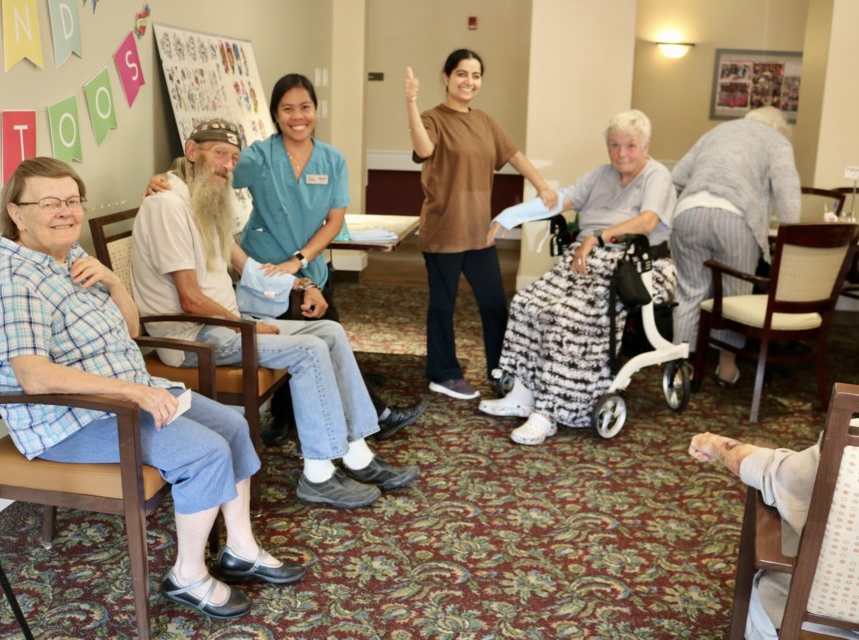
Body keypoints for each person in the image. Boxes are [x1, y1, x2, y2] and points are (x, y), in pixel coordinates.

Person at [0, 157, 305, 622]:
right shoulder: (17, 282)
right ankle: (188, 576)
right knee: (202, 452)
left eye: (72, 201)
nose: (65, 212)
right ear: (16, 213)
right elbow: (34, 376)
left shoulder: (72, 259)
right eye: (49, 203)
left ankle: (240, 548)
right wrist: (132, 395)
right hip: (69, 419)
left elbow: (129, 332)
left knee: (233, 427)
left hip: (125, 396)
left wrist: (113, 282)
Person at [131, 119, 420, 510]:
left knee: (329, 331)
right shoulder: (168, 205)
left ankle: (358, 454)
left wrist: (300, 284)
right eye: (220, 154)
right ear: (192, 150)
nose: (228, 166)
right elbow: (190, 300)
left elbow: (247, 269)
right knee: (309, 349)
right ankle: (318, 474)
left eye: (234, 158)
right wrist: (247, 325)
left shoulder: (202, 202)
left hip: (222, 327)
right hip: (191, 339)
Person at [146, 74, 427, 444]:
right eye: (287, 109)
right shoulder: (257, 158)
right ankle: (341, 434)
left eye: (305, 107)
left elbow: (335, 219)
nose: (298, 116)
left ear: (316, 111)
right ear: (276, 116)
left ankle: (342, 426)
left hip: (301, 271)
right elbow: (203, 172)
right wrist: (161, 179)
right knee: (311, 340)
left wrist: (301, 269)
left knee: (326, 330)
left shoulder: (331, 159)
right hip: (259, 272)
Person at [480, 110, 677, 445]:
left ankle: (550, 413)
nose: (621, 153)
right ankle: (523, 395)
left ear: (645, 146)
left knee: (568, 318)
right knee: (528, 304)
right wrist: (510, 216)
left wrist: (598, 237)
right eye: (614, 145)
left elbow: (646, 222)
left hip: (635, 266)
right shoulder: (601, 175)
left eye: (630, 145)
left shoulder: (657, 175)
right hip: (586, 261)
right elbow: (558, 200)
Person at [404, 49, 558, 401]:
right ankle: (443, 373)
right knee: (443, 305)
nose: (468, 81)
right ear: (446, 77)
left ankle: (502, 369)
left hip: (479, 232)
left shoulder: (485, 121)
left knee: (493, 303)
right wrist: (410, 102)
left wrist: (542, 185)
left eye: (475, 75)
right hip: (443, 231)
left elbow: (514, 154)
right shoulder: (432, 117)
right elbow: (424, 149)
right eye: (461, 74)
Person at [670, 106, 801, 385]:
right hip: (735, 219)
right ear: (778, 127)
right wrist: (791, 241)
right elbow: (789, 198)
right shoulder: (777, 142)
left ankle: (682, 368)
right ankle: (726, 368)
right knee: (733, 297)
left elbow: (677, 178)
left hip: (689, 212)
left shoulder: (715, 132)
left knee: (689, 291)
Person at [686, 431, 858, 639]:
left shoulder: (850, 439)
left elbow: (771, 472)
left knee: (771, 577)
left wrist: (713, 444)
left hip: (823, 608)